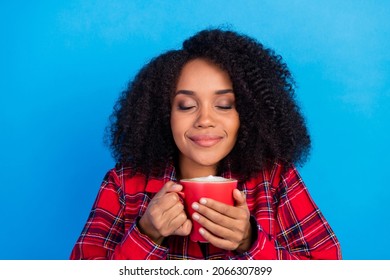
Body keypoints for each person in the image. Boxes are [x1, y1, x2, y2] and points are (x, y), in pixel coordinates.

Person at [70, 28, 341, 260]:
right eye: (186, 106)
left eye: (224, 105)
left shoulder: (275, 178)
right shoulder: (123, 184)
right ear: (164, 115)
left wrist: (250, 241)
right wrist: (147, 233)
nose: (205, 120)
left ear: (246, 115)